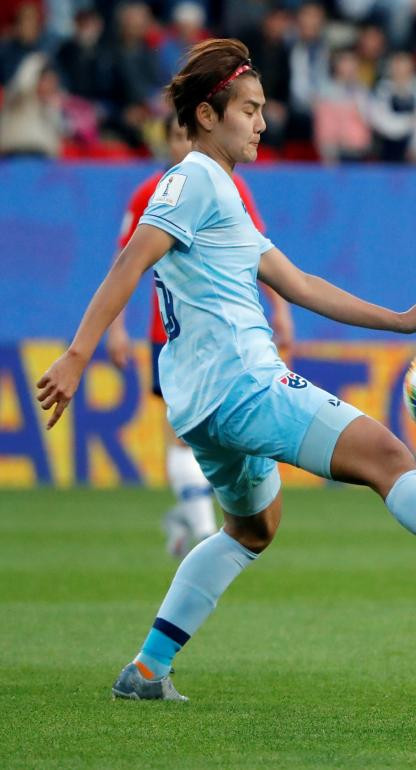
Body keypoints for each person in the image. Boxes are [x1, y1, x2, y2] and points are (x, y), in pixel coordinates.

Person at [35, 39, 416, 703]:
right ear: (205, 115)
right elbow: (130, 260)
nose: (260, 123)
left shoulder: (216, 190)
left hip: (199, 405)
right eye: (248, 110)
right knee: (387, 457)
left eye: (261, 110)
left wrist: (401, 319)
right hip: (244, 383)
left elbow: (299, 283)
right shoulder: (196, 180)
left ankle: (147, 669)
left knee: (253, 529)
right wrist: (79, 354)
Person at [106, 112, 294, 559]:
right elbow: (124, 265)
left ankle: (192, 516)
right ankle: (207, 528)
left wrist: (280, 308)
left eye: (184, 136)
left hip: (226, 335)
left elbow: (259, 252)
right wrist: (116, 329)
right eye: (173, 137)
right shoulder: (149, 194)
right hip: (169, 335)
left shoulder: (231, 186)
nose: (181, 146)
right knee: (182, 432)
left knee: (216, 437)